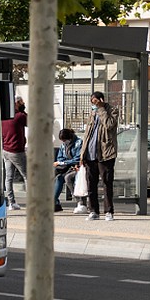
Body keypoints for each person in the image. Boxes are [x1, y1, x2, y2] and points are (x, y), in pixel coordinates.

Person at [80, 91, 119, 221]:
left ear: (101, 100)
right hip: (90, 154)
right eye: (92, 102)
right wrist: (82, 154)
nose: (93, 104)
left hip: (105, 154)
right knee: (91, 184)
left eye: (95, 101)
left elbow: (109, 125)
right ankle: (93, 211)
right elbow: (87, 134)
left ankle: (108, 211)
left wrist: (101, 109)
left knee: (107, 183)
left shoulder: (112, 110)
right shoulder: (92, 113)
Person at [2, 96, 27, 211]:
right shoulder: (20, 116)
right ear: (16, 103)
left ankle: (11, 202)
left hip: (6, 150)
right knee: (27, 175)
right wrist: (23, 110)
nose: (23, 103)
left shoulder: (4, 117)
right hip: (17, 151)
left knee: (9, 178)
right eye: (21, 102)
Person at [53, 128, 87, 213]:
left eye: (65, 140)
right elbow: (60, 157)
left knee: (68, 178)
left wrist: (64, 162)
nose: (64, 142)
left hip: (78, 167)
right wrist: (62, 162)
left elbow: (78, 159)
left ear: (69, 138)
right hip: (68, 167)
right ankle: (54, 201)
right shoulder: (63, 146)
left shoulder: (79, 143)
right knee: (59, 178)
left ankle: (80, 202)